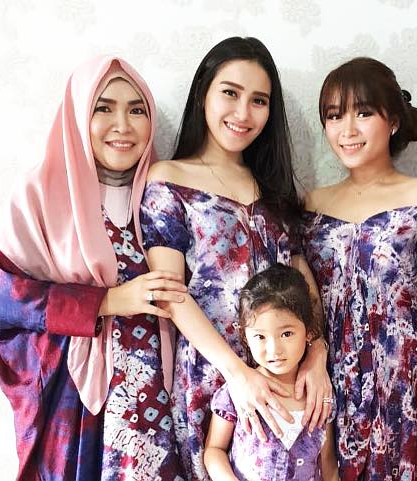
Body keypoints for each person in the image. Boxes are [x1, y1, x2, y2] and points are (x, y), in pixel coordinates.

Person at [0, 55, 187, 480]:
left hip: (162, 405)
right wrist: (107, 301)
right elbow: (6, 300)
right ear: (78, 115)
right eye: (104, 108)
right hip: (83, 412)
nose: (123, 125)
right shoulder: (40, 195)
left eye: (137, 110)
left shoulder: (163, 193)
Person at [140, 37, 332, 480]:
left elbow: (302, 279)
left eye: (259, 100)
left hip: (286, 375)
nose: (243, 113)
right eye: (230, 93)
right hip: (213, 377)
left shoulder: (274, 188)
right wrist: (238, 374)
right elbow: (168, 292)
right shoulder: (170, 181)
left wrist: (317, 350)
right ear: (203, 93)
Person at [302, 57, 417, 481]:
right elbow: (304, 301)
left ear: (394, 122)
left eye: (363, 113)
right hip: (332, 386)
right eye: (335, 116)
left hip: (405, 384)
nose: (347, 130)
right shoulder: (310, 206)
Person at [204, 264, 339, 481]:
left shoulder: (319, 393)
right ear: (245, 336)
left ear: (309, 331)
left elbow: (328, 464)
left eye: (286, 334)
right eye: (260, 336)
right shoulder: (236, 393)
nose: (274, 350)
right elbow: (214, 450)